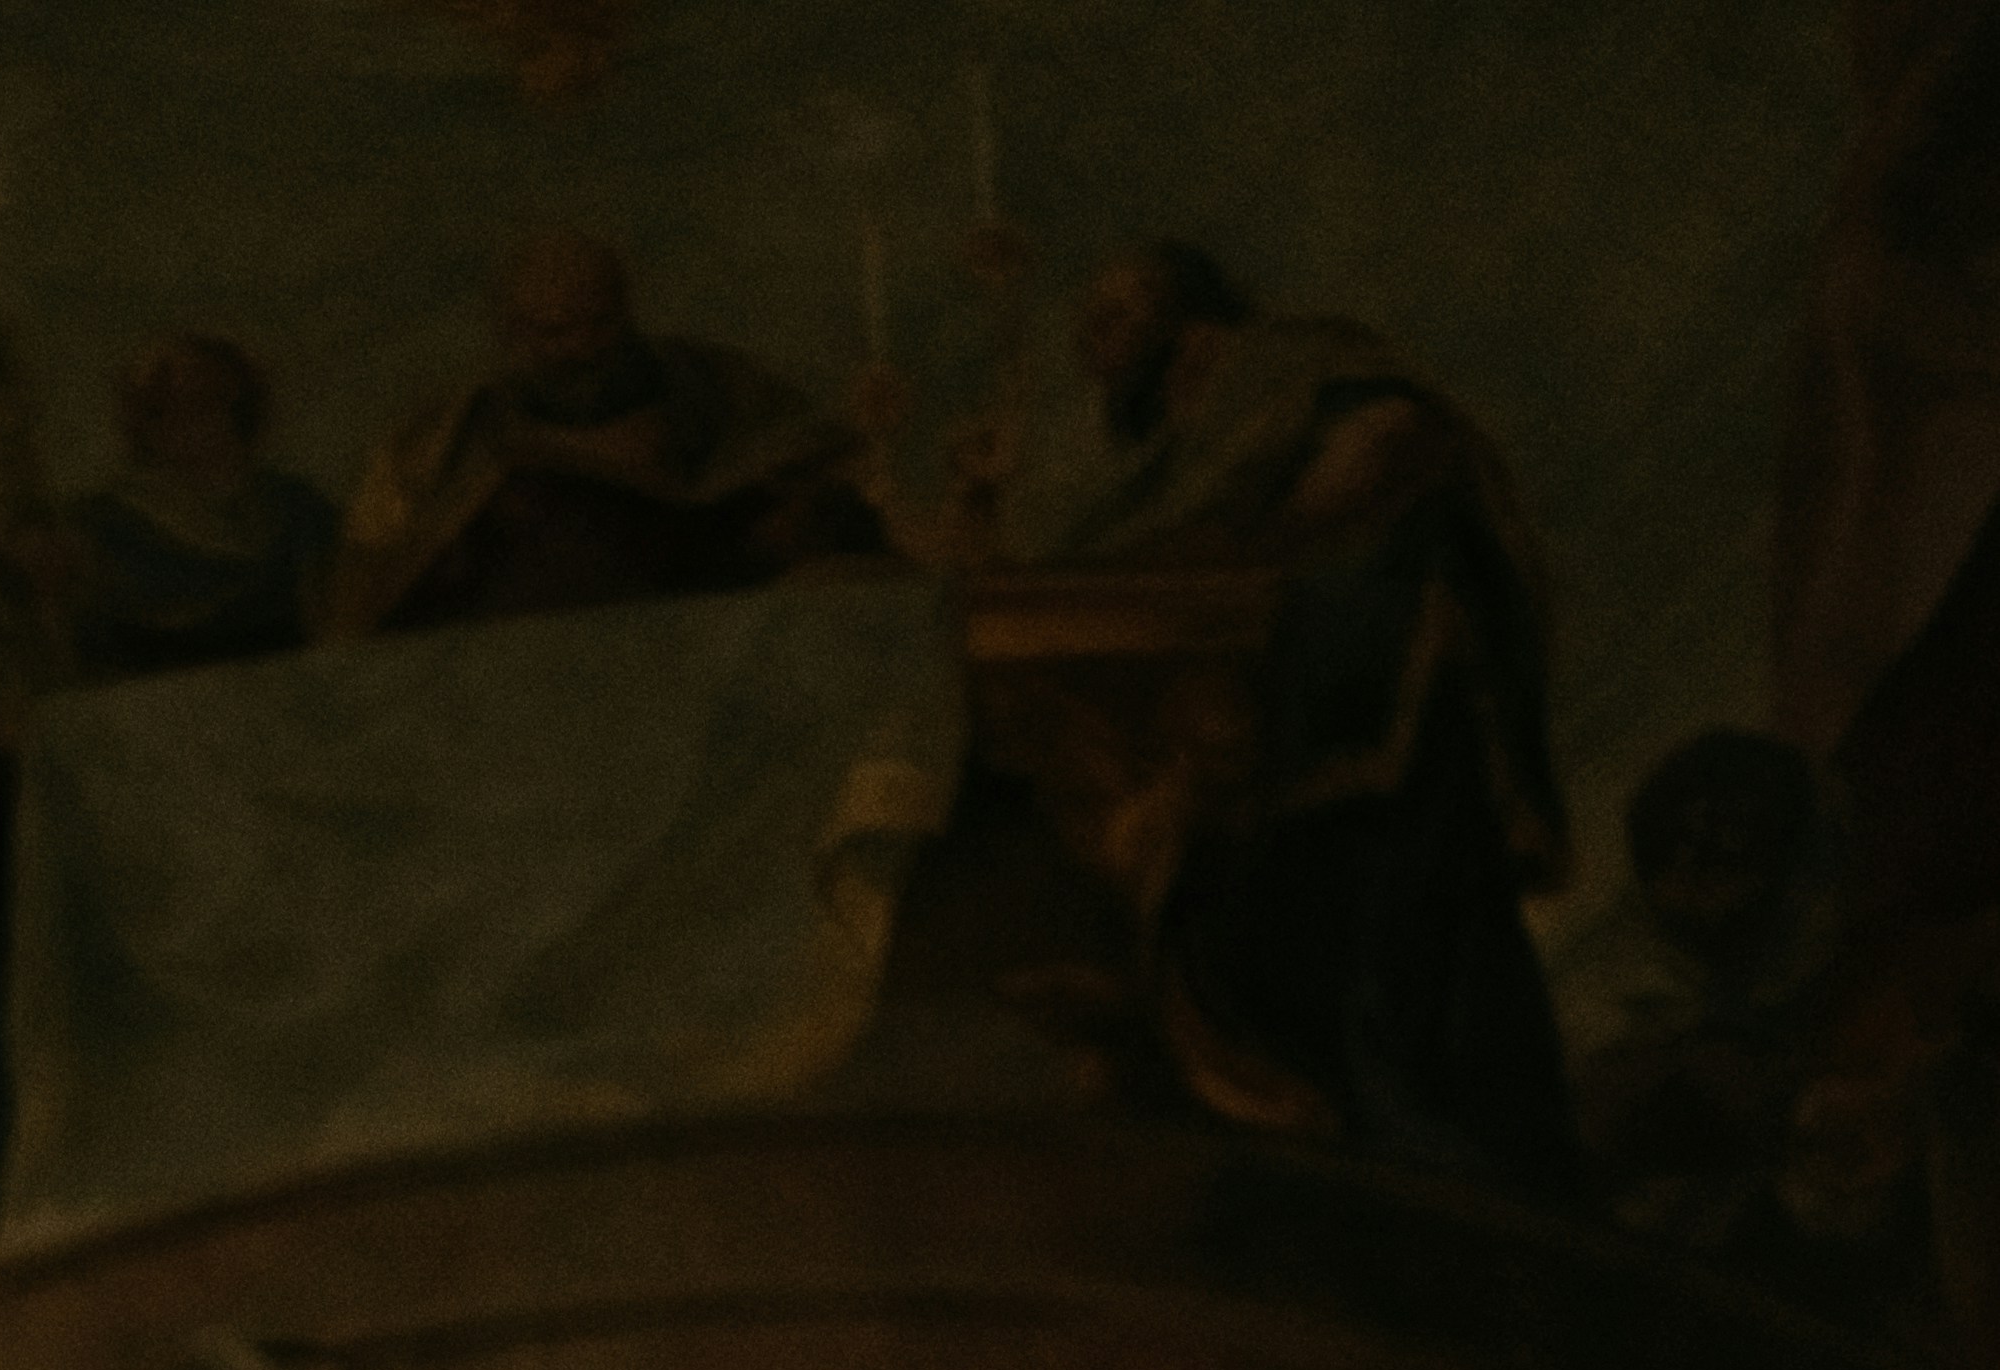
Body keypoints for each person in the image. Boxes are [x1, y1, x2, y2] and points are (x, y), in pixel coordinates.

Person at [978, 239, 1577, 1205]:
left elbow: (1397, 439)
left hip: (1362, 707)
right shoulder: (1180, 453)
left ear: (1191, 310)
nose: (1092, 338)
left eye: (1118, 309)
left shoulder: (1280, 362)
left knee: (1389, 968)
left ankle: (1455, 1190)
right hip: (1249, 741)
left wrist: (1256, 558)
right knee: (1265, 969)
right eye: (1086, 323)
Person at [329, 233, 879, 632]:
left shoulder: (721, 390)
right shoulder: (439, 442)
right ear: (510, 333)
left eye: (598, 323)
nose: (581, 349)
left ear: (626, 312)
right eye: (553, 332)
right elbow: (369, 585)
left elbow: (821, 486)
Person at [7, 330, 339, 684]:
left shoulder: (296, 507)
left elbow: (337, 628)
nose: (183, 424)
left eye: (202, 403)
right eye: (159, 410)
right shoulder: (100, 523)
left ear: (239, 409)